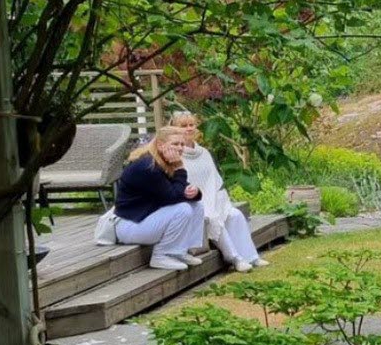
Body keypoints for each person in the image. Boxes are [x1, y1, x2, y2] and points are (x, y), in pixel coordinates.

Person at [170, 111, 269, 273]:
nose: (188, 129)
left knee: (234, 214)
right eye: (183, 126)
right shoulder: (175, 154)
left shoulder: (204, 153)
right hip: (192, 202)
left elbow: (214, 180)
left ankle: (251, 256)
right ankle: (235, 258)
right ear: (174, 129)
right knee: (212, 217)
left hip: (212, 198)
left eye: (191, 125)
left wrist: (218, 201)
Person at [113, 127, 207, 271]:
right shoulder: (147, 167)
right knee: (183, 209)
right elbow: (173, 197)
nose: (180, 148)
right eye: (175, 144)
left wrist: (195, 192)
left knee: (196, 207)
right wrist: (180, 168)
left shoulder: (163, 163)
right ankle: (162, 255)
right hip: (129, 226)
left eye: (182, 144)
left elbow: (180, 191)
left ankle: (180, 251)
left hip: (146, 218)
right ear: (161, 145)